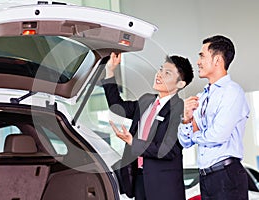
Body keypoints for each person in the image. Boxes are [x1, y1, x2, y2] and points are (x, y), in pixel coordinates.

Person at [101, 52, 194, 200]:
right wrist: (110, 71)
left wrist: (133, 142)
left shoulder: (180, 109)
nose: (159, 75)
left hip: (164, 187)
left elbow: (167, 150)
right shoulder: (146, 101)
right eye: (161, 69)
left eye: (167, 73)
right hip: (139, 180)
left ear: (180, 84)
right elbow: (116, 106)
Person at [178, 35, 250, 200]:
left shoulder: (232, 92)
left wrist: (195, 133)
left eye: (202, 55)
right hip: (206, 178)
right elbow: (184, 142)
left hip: (227, 176)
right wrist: (186, 120)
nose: (197, 61)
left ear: (217, 60)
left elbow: (218, 135)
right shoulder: (201, 97)